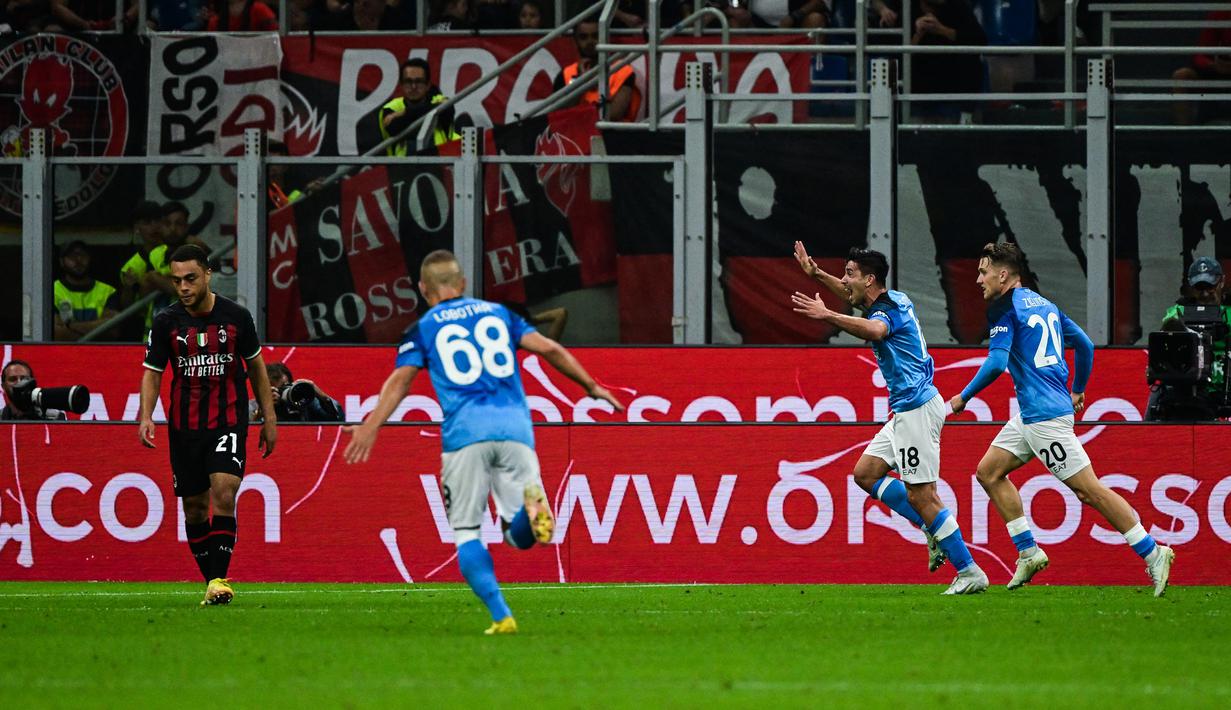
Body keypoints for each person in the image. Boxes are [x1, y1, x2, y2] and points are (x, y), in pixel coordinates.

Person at [343, 249, 624, 633]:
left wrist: (371, 425)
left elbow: (401, 380)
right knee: (517, 536)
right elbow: (551, 348)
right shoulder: (500, 314)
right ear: (462, 284)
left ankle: (501, 615)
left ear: (424, 289)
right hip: (515, 431)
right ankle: (529, 516)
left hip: (465, 435)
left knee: (466, 531)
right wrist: (591, 385)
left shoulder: (423, 329)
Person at [948, 241, 1176, 597]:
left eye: (983, 271)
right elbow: (1084, 344)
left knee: (1090, 490)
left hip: (1044, 419)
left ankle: (1153, 551)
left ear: (1003, 274)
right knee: (989, 471)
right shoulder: (1047, 306)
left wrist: (963, 397)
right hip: (1034, 413)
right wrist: (1078, 388)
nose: (979, 279)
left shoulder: (1003, 309)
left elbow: (995, 363)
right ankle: (1028, 551)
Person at [791, 242, 988, 595]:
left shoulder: (888, 312)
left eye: (849, 274)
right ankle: (930, 528)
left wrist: (828, 316)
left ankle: (970, 571)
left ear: (869, 280)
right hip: (906, 410)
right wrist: (817, 274)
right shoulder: (891, 298)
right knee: (865, 474)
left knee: (922, 496)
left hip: (916, 410)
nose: (844, 280)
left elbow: (876, 331)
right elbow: (854, 300)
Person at [138, 244, 277, 607]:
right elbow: (153, 373)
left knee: (225, 490)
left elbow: (257, 367)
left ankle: (218, 578)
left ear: (208, 274)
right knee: (195, 509)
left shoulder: (236, 317)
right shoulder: (166, 322)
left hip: (228, 420)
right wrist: (146, 415)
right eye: (177, 280)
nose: (183, 287)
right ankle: (213, 581)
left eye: (190, 278)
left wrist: (269, 416)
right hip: (185, 428)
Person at [1147, 257, 1231, 420]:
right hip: (1183, 385)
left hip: (1223, 386)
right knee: (1157, 397)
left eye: (1210, 286)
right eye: (1199, 287)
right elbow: (1166, 329)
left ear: (1222, 282)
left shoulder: (1229, 312)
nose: (1205, 293)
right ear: (1190, 286)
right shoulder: (1178, 311)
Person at [552, 18, 641, 122]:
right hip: (576, 135)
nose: (590, 42)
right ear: (575, 41)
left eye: (595, 36)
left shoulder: (622, 70)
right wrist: (581, 81)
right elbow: (560, 113)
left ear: (605, 37)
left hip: (612, 135)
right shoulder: (566, 74)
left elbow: (613, 115)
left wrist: (578, 113)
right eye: (583, 37)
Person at [379, 59, 461, 155]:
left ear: (428, 85)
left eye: (419, 81)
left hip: (440, 165)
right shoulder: (390, 108)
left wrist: (404, 113)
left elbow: (447, 111)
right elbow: (394, 128)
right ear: (401, 84)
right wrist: (431, 109)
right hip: (401, 167)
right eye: (408, 81)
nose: (413, 86)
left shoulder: (440, 100)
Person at [1171, 10, 1231, 125]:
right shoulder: (1220, 14)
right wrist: (1214, 65)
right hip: (1217, 73)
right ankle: (1184, 134)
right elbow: (1200, 54)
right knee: (1181, 76)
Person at [119, 201, 169, 336]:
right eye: (147, 222)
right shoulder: (132, 266)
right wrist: (129, 288)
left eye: (157, 220)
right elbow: (129, 309)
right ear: (137, 228)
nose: (154, 227)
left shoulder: (177, 250)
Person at [53, 241, 119, 342]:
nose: (78, 260)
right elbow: (56, 334)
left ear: (90, 259)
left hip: (100, 354)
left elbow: (112, 331)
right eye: (72, 256)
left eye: (83, 255)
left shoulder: (107, 291)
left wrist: (70, 326)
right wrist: (98, 328)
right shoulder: (52, 291)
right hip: (64, 354)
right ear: (62, 262)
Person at [259, 362, 344, 422]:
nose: (281, 393)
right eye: (277, 390)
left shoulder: (303, 403)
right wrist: (265, 408)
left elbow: (338, 419)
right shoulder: (253, 406)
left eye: (285, 386)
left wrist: (322, 396)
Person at [1, 360, 67, 421]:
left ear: (31, 383)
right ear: (3, 386)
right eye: (12, 379)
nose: (19, 383)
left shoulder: (54, 417)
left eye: (24, 379)